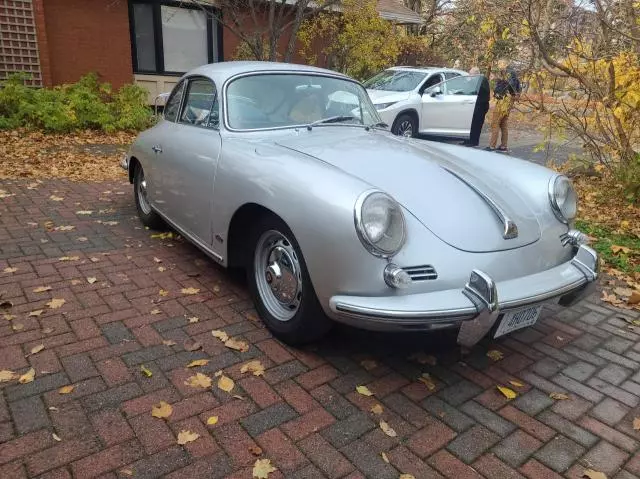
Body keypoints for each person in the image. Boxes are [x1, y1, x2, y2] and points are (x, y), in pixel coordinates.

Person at [486, 60, 521, 152]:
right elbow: (517, 90)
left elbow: (501, 90)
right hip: (509, 102)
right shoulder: (514, 76)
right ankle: (503, 146)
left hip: (503, 102)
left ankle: (492, 146)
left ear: (503, 65)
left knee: (495, 123)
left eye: (499, 65)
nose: (499, 67)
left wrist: (496, 83)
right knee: (503, 124)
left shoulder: (506, 76)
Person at [462, 66, 490, 147]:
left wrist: (471, 81)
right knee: (470, 123)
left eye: (471, 74)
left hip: (481, 105)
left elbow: (478, 90)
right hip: (474, 104)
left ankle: (474, 142)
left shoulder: (482, 80)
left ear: (476, 74)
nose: (470, 76)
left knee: (477, 124)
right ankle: (468, 140)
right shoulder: (477, 80)